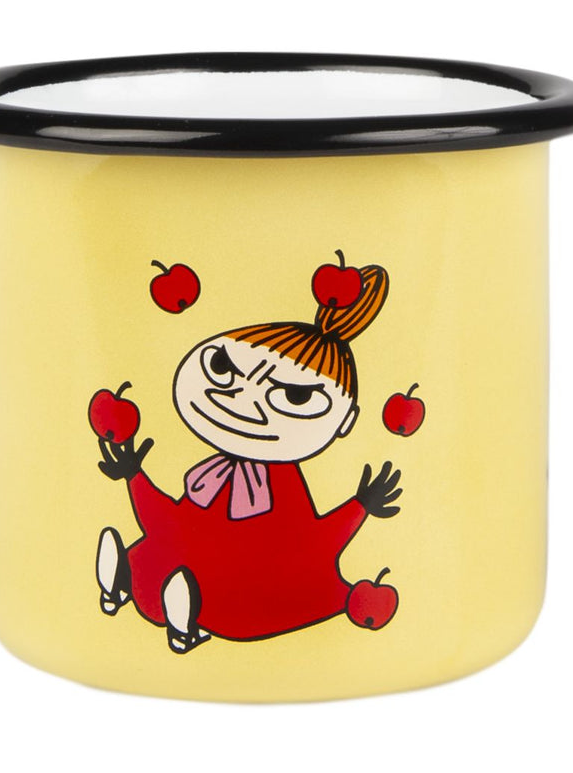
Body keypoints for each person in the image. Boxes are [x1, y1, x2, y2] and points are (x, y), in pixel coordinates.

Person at [95, 264, 403, 653]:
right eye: (222, 368)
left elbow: (312, 542)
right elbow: (171, 520)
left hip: (253, 585)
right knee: (165, 555)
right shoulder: (214, 475)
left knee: (234, 597)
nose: (242, 400)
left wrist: (360, 506)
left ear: (345, 421)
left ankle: (185, 622)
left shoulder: (282, 488)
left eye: (294, 396)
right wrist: (134, 476)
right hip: (190, 567)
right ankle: (126, 583)